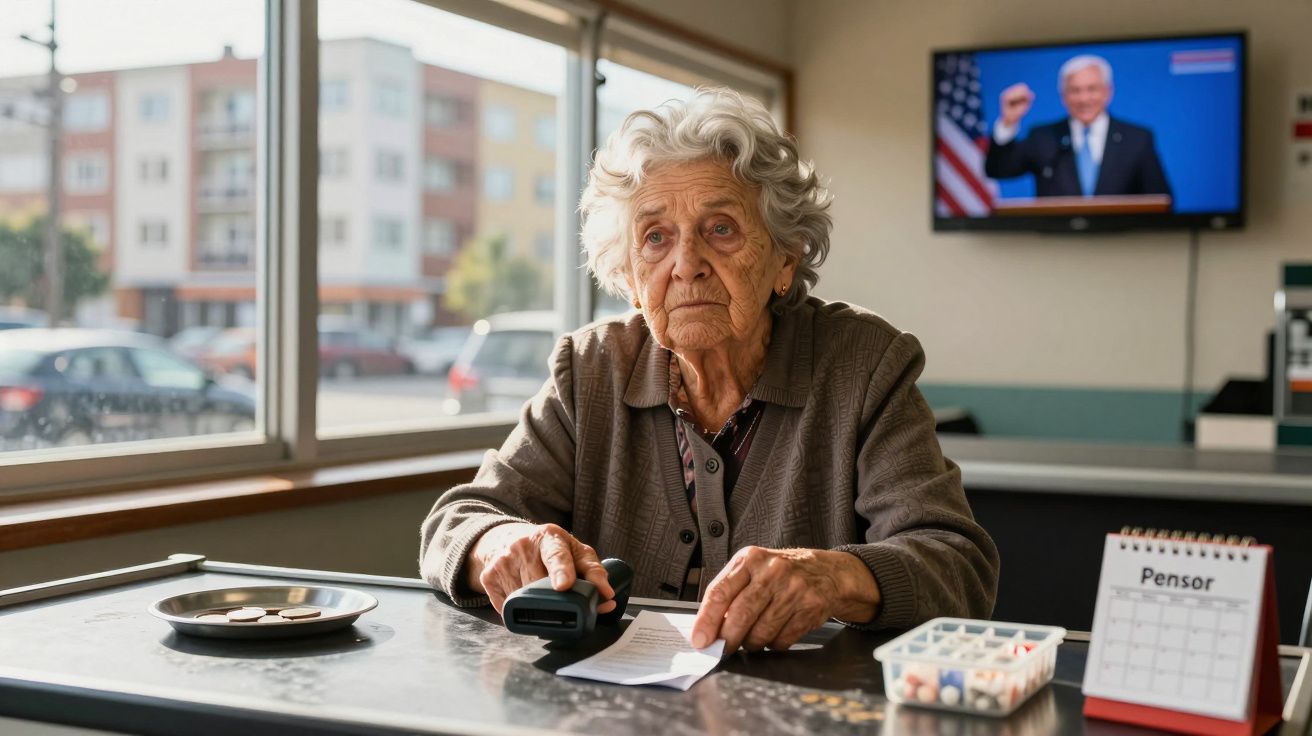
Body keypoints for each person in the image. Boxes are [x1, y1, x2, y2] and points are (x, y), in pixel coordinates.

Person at [420, 88, 999, 653]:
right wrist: (505, 543)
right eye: (655, 238)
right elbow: (457, 520)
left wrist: (832, 576)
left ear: (785, 257)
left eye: (721, 229)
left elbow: (956, 563)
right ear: (628, 278)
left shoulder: (864, 364)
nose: (687, 264)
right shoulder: (591, 369)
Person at [983, 54, 1171, 200]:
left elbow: (1160, 200)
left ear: (1108, 92)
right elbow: (998, 170)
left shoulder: (1137, 139)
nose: (1084, 98)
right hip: (1059, 238)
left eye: (1092, 89)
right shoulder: (1043, 137)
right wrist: (1008, 122)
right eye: (1075, 90)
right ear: (1063, 96)